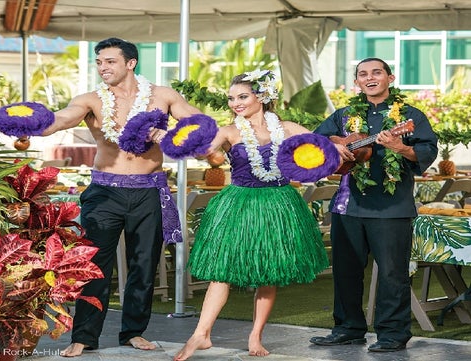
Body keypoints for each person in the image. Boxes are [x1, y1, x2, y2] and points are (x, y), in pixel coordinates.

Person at [37, 37, 202, 357]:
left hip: (148, 190)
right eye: (99, 62)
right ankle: (84, 335)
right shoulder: (91, 99)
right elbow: (63, 117)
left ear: (131, 63)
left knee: (145, 264)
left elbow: (199, 127)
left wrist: (167, 135)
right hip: (104, 193)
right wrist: (38, 123)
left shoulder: (163, 96)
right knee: (94, 265)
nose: (102, 68)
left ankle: (133, 332)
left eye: (110, 61)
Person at [173, 70, 330, 361]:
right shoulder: (230, 131)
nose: (235, 103)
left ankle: (255, 335)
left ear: (262, 96)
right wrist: (190, 146)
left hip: (278, 205)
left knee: (267, 273)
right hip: (239, 204)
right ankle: (201, 334)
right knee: (223, 272)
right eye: (232, 98)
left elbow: (324, 150)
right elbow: (206, 150)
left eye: (242, 96)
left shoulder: (289, 128)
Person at [309, 58, 438, 352]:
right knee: (345, 270)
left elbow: (427, 150)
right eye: (363, 74)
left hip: (391, 208)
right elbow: (315, 141)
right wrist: (336, 145)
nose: (370, 78)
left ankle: (393, 334)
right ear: (357, 82)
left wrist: (401, 147)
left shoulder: (410, 116)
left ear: (389, 78)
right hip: (347, 205)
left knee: (393, 273)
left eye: (376, 72)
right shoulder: (343, 116)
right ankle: (347, 328)